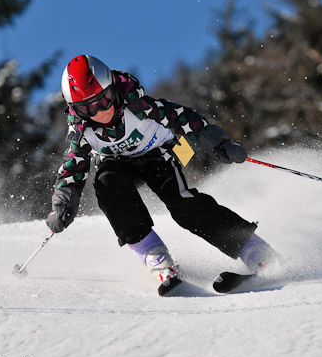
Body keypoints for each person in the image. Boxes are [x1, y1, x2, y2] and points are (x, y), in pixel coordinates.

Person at [46, 54, 279, 292]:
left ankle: (254, 250)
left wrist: (218, 143)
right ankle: (156, 258)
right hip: (117, 165)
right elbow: (73, 167)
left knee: (183, 206)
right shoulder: (81, 132)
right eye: (88, 107)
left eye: (104, 100)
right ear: (76, 109)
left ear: (113, 89)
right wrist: (63, 204)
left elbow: (182, 118)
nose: (99, 111)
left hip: (158, 155)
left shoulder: (137, 106)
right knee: (107, 186)